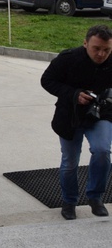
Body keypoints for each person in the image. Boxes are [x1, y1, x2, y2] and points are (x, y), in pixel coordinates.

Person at [40, 24, 112, 220]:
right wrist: (73, 94)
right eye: (96, 48)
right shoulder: (68, 59)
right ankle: (69, 201)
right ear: (85, 43)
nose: (101, 54)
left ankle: (95, 197)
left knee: (103, 150)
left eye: (107, 50)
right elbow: (47, 80)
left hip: (101, 114)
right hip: (69, 116)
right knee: (70, 162)